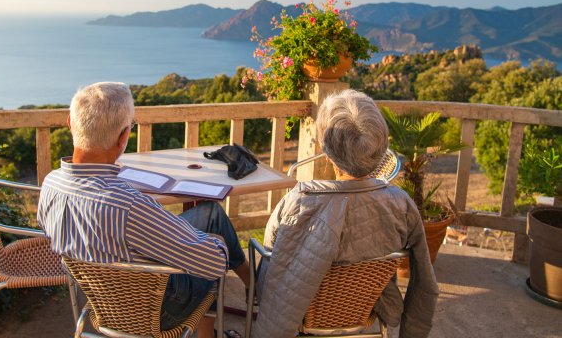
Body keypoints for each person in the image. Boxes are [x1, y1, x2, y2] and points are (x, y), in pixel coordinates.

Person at [36, 82, 248, 338]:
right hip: (156, 311)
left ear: (70, 122)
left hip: (101, 301)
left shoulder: (50, 185)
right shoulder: (130, 206)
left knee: (208, 214)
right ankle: (251, 292)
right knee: (211, 244)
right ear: (124, 136)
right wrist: (213, 244)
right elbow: (213, 265)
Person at [252, 89, 439, 338]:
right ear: (380, 147)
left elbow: (272, 258)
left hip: (301, 311)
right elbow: (426, 282)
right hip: (366, 305)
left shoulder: (298, 202)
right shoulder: (401, 205)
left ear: (327, 151)